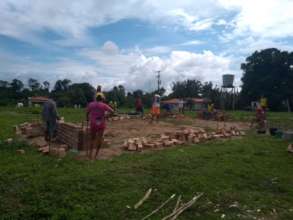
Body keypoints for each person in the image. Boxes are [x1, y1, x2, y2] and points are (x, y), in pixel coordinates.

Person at [86, 94, 114, 160]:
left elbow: (87, 112)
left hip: (93, 123)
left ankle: (90, 154)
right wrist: (107, 116)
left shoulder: (91, 104)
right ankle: (96, 156)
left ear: (96, 98)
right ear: (102, 99)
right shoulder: (104, 105)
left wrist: (87, 118)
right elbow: (112, 111)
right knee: (99, 139)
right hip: (101, 124)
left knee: (92, 139)